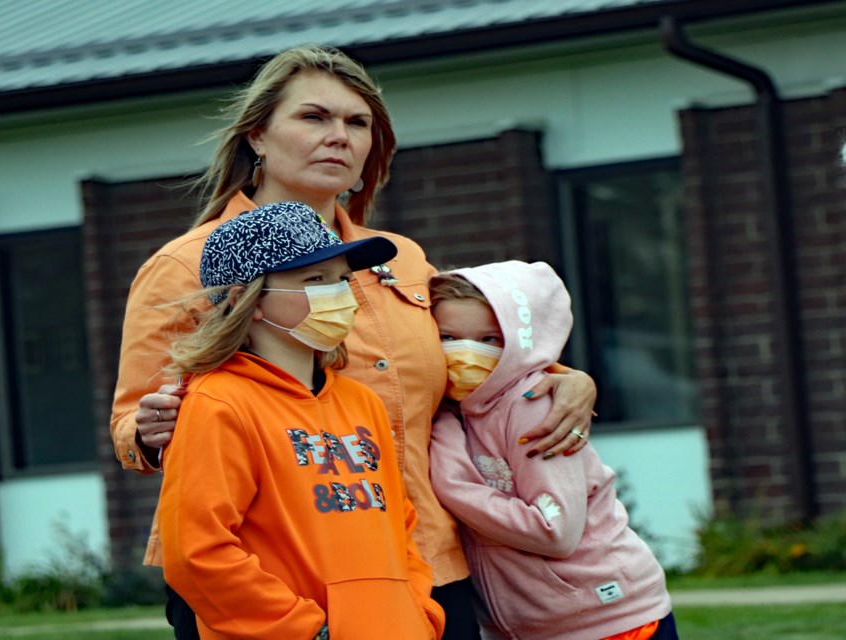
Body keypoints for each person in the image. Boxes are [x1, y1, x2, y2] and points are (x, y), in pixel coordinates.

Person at [110, 44, 598, 639]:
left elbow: (474, 367)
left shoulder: (403, 258)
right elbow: (134, 421)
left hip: (421, 562)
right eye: (314, 117)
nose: (339, 136)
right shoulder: (187, 265)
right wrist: (150, 429)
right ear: (257, 137)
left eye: (357, 123)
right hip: (273, 573)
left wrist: (561, 380)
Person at [158, 200, 445, 639]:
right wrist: (308, 631)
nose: (340, 294)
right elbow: (197, 553)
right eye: (314, 279)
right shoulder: (218, 403)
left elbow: (400, 530)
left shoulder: (361, 402)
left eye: (342, 279)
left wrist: (419, 617)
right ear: (246, 300)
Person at [427, 260, 677, 640]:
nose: (465, 353)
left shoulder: (531, 405)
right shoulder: (462, 410)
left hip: (609, 619)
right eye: (448, 338)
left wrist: (453, 484)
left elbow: (554, 529)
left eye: (490, 339)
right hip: (543, 626)